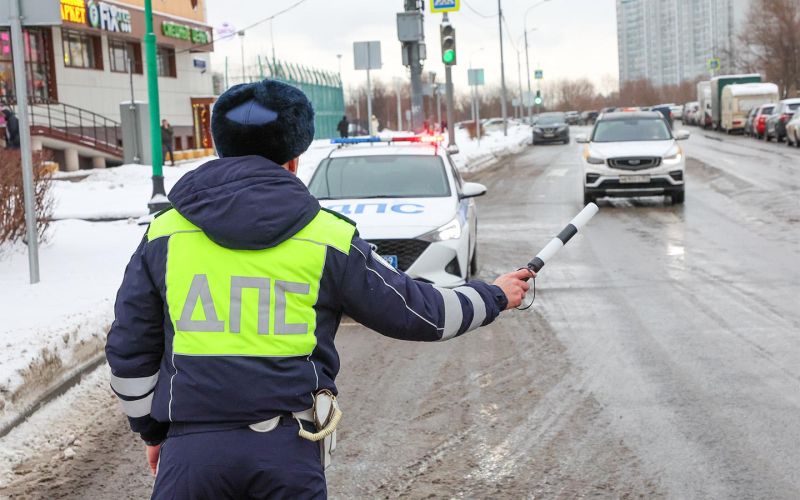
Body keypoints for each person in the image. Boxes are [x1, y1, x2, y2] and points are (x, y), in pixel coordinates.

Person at [106, 79, 531, 499]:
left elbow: (129, 351)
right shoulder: (327, 236)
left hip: (191, 455)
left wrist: (153, 430)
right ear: (294, 158)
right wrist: (495, 294)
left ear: (221, 147)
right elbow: (419, 312)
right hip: (286, 454)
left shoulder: (166, 233)